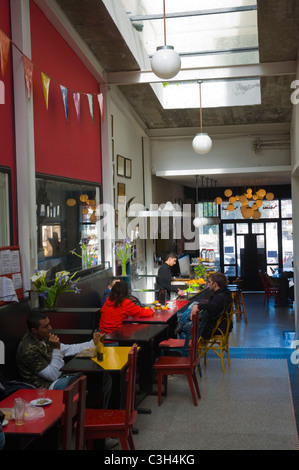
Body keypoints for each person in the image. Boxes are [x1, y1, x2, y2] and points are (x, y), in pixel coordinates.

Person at [16, 312, 112, 407]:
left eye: (49, 323)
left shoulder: (42, 336)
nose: (50, 328)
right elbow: (53, 376)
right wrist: (56, 349)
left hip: (61, 376)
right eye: (46, 326)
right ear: (34, 330)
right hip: (47, 388)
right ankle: (89, 416)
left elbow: (67, 349)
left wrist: (92, 343)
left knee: (103, 376)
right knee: (90, 381)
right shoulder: (28, 350)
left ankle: (100, 412)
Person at [176, 272, 232, 340]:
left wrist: (198, 306)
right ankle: (181, 326)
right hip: (220, 325)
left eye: (209, 282)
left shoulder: (219, 297)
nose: (208, 284)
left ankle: (185, 348)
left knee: (184, 327)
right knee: (195, 304)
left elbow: (212, 306)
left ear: (215, 284)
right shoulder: (225, 293)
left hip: (213, 329)